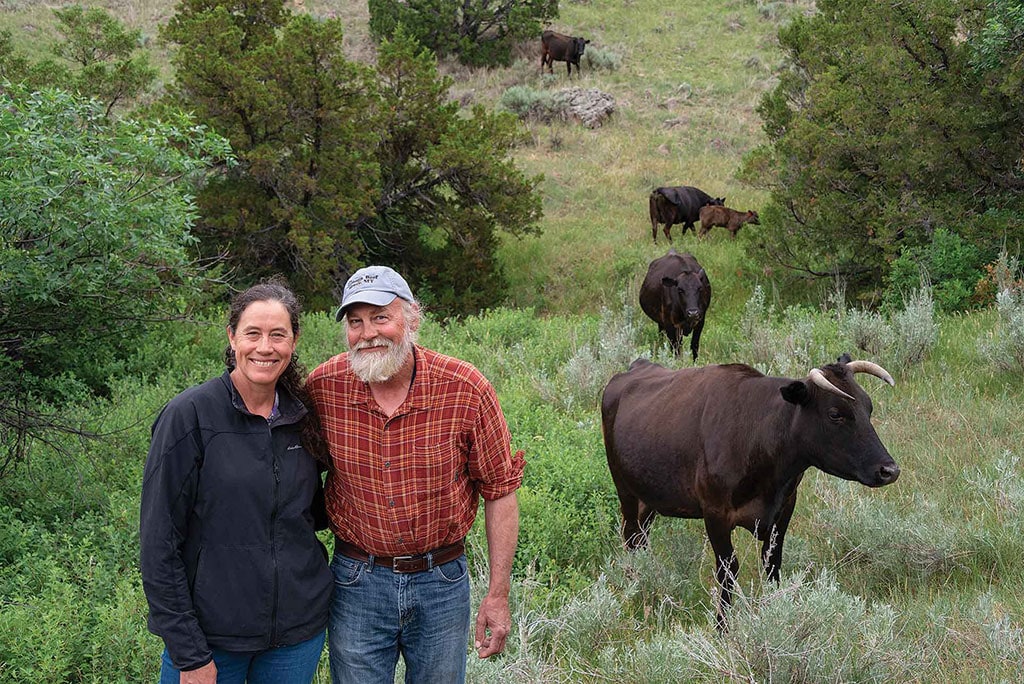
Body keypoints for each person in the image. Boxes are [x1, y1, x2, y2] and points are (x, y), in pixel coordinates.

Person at [306, 265, 525, 684]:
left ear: (412, 319)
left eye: (380, 317)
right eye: (356, 322)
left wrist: (498, 595)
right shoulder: (324, 387)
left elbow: (500, 489)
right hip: (356, 582)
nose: (368, 333)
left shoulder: (465, 388)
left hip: (441, 581)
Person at [140, 280, 333, 684]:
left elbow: (311, 515)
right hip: (211, 642)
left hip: (295, 639)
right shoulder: (189, 415)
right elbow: (159, 544)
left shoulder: (304, 417)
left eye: (278, 335)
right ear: (232, 337)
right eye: (253, 333)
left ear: (293, 341)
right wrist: (189, 655)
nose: (265, 347)